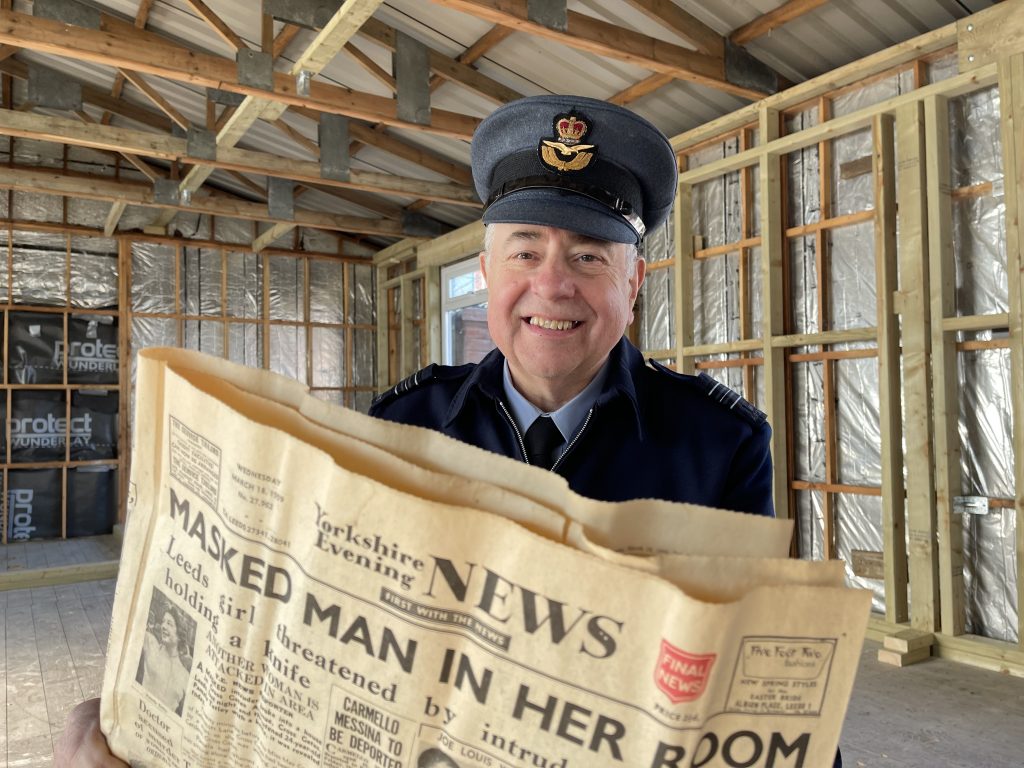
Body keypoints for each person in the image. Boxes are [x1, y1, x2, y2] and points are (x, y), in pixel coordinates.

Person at [55, 95, 837, 766]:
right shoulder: (404, 423)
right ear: (489, 275)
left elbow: (752, 676)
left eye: (590, 257)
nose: (552, 284)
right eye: (525, 250)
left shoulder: (722, 444)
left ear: (635, 283)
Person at [135, 606, 191, 715]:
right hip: (139, 713)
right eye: (163, 622)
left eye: (169, 624)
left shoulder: (185, 676)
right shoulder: (151, 644)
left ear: (179, 635)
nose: (163, 626)